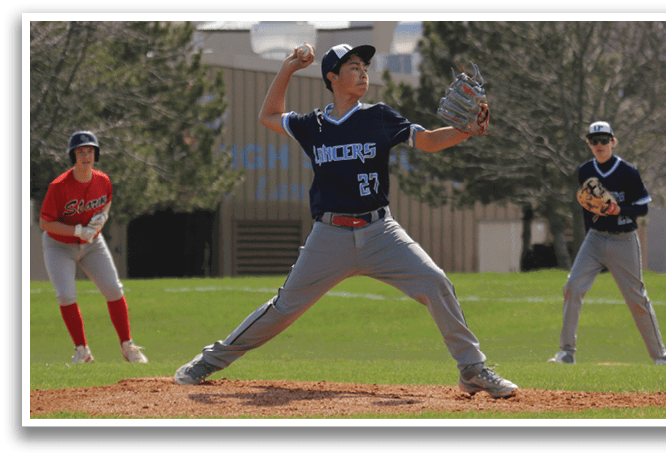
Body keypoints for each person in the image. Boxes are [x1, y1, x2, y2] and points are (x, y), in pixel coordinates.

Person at [175, 44, 518, 398]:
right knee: (283, 309)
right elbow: (268, 116)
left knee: (436, 283)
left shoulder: (380, 117)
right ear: (332, 78)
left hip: (381, 232)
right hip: (330, 236)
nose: (363, 71)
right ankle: (208, 362)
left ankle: (472, 369)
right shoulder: (313, 125)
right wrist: (287, 69)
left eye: (364, 66)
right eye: (353, 66)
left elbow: (428, 142)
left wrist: (466, 131)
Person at [548, 121, 666, 365]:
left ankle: (660, 358)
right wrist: (596, 222)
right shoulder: (584, 171)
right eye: (594, 141)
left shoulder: (628, 171)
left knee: (636, 298)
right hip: (595, 239)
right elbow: (587, 208)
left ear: (613, 142)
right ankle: (567, 352)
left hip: (624, 240)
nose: (599, 145)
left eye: (604, 140)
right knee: (572, 286)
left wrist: (616, 209)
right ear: (589, 144)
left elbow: (643, 207)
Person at [39, 131, 148, 364]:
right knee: (66, 295)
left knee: (113, 289)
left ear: (95, 155)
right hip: (59, 245)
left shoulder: (103, 180)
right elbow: (45, 223)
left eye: (90, 151)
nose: (86, 156)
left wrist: (101, 219)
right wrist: (78, 230)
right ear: (73, 155)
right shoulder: (59, 186)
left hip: (91, 243)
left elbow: (106, 201)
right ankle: (82, 351)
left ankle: (128, 346)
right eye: (80, 152)